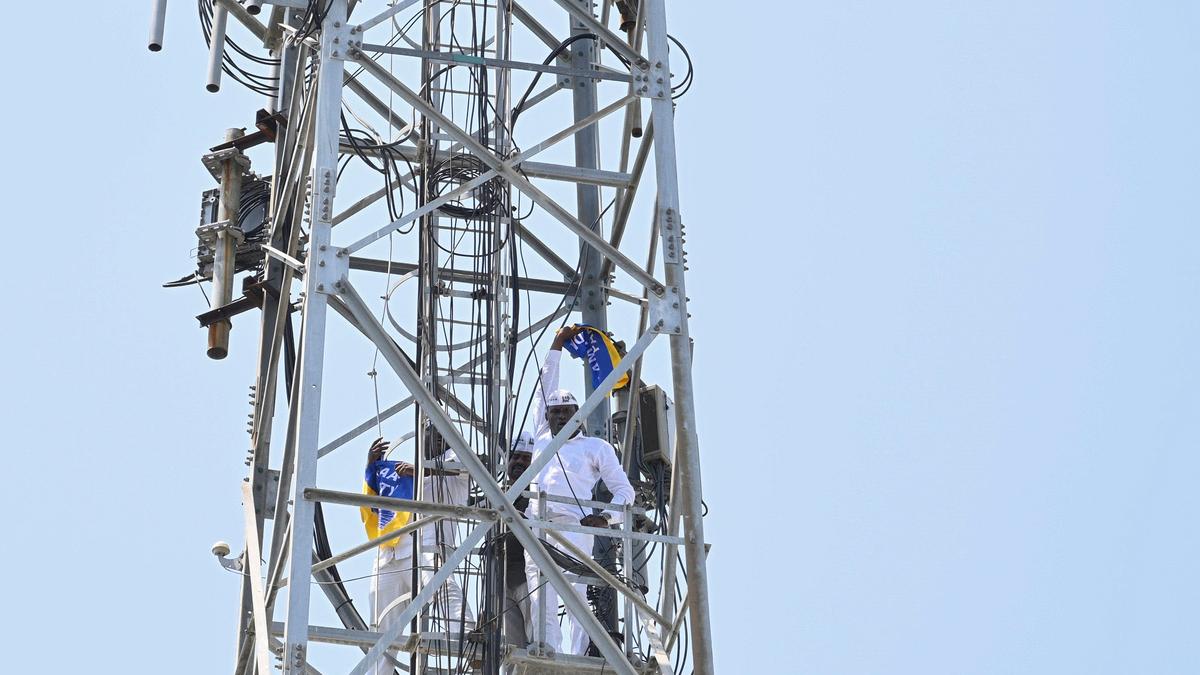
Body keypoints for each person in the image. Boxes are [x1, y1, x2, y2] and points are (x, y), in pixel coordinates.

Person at [524, 326, 636, 656]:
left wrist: (606, 518)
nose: (560, 417)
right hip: (537, 524)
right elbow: (546, 383)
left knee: (576, 594)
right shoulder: (542, 435)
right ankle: (548, 652)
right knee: (540, 595)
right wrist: (557, 343)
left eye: (566, 412)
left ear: (578, 415)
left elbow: (625, 492)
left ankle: (578, 656)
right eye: (555, 412)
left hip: (575, 526)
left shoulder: (595, 447)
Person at [365, 423, 475, 675]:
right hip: (390, 552)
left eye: (441, 436)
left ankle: (471, 647)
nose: (433, 439)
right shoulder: (406, 471)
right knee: (381, 627)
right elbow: (375, 501)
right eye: (429, 433)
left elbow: (467, 466)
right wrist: (372, 467)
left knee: (443, 591)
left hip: (427, 549)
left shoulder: (455, 466)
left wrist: (419, 470)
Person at [500, 432, 535, 647]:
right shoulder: (496, 493)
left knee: (537, 642)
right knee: (511, 650)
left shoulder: (538, 495)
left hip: (528, 577)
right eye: (516, 457)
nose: (520, 462)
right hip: (501, 580)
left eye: (526, 458)